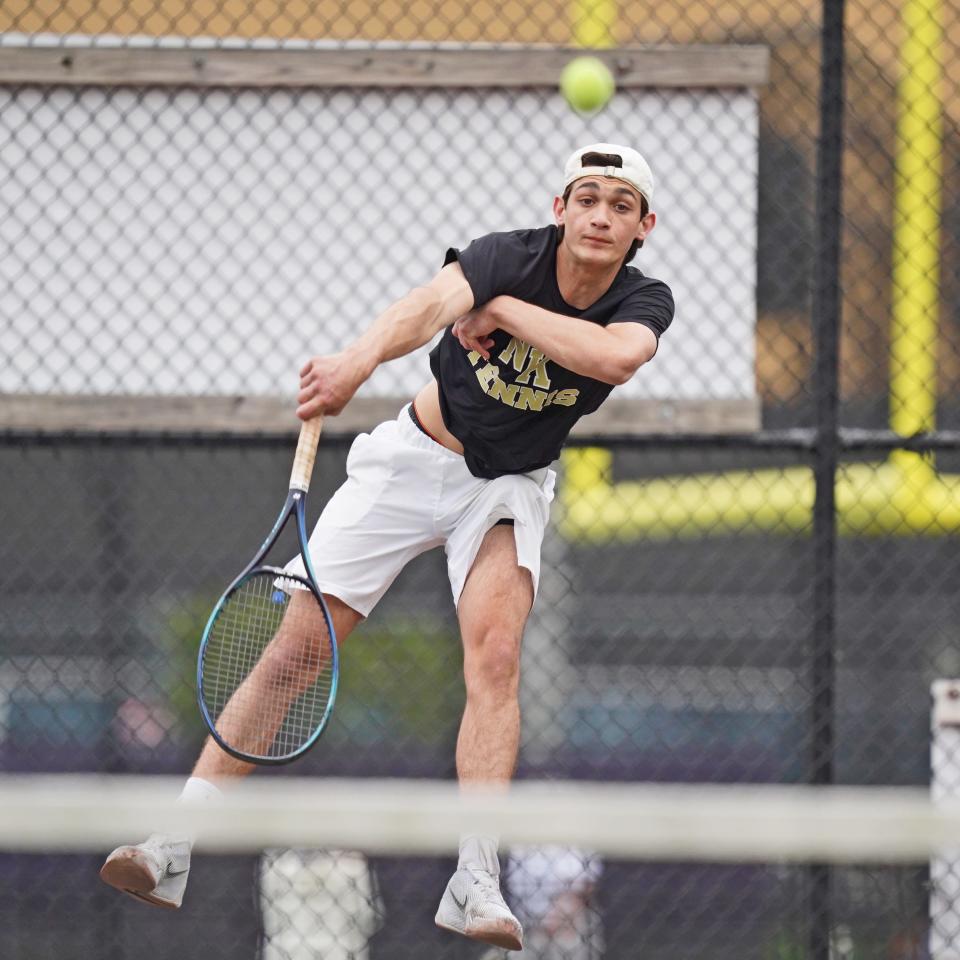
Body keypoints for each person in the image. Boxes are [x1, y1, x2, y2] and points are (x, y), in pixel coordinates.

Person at [99, 142, 674, 953]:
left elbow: (613, 357)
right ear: (560, 209)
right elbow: (430, 302)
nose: (601, 216)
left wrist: (502, 313)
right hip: (410, 460)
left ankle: (475, 877)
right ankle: (174, 843)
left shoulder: (644, 301)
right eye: (588, 198)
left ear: (643, 226)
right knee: (298, 652)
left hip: (507, 487)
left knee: (498, 657)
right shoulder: (506, 254)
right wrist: (353, 364)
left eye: (621, 205)